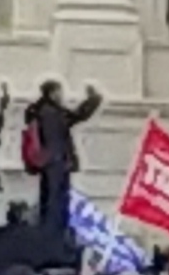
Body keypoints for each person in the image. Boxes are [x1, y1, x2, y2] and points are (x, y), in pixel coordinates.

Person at [21, 78, 106, 232]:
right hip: (56, 161)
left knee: (49, 197)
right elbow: (78, 116)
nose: (62, 96)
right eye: (59, 92)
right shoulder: (52, 113)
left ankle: (48, 229)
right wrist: (93, 100)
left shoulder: (39, 111)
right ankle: (54, 232)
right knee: (57, 199)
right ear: (52, 93)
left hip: (46, 161)